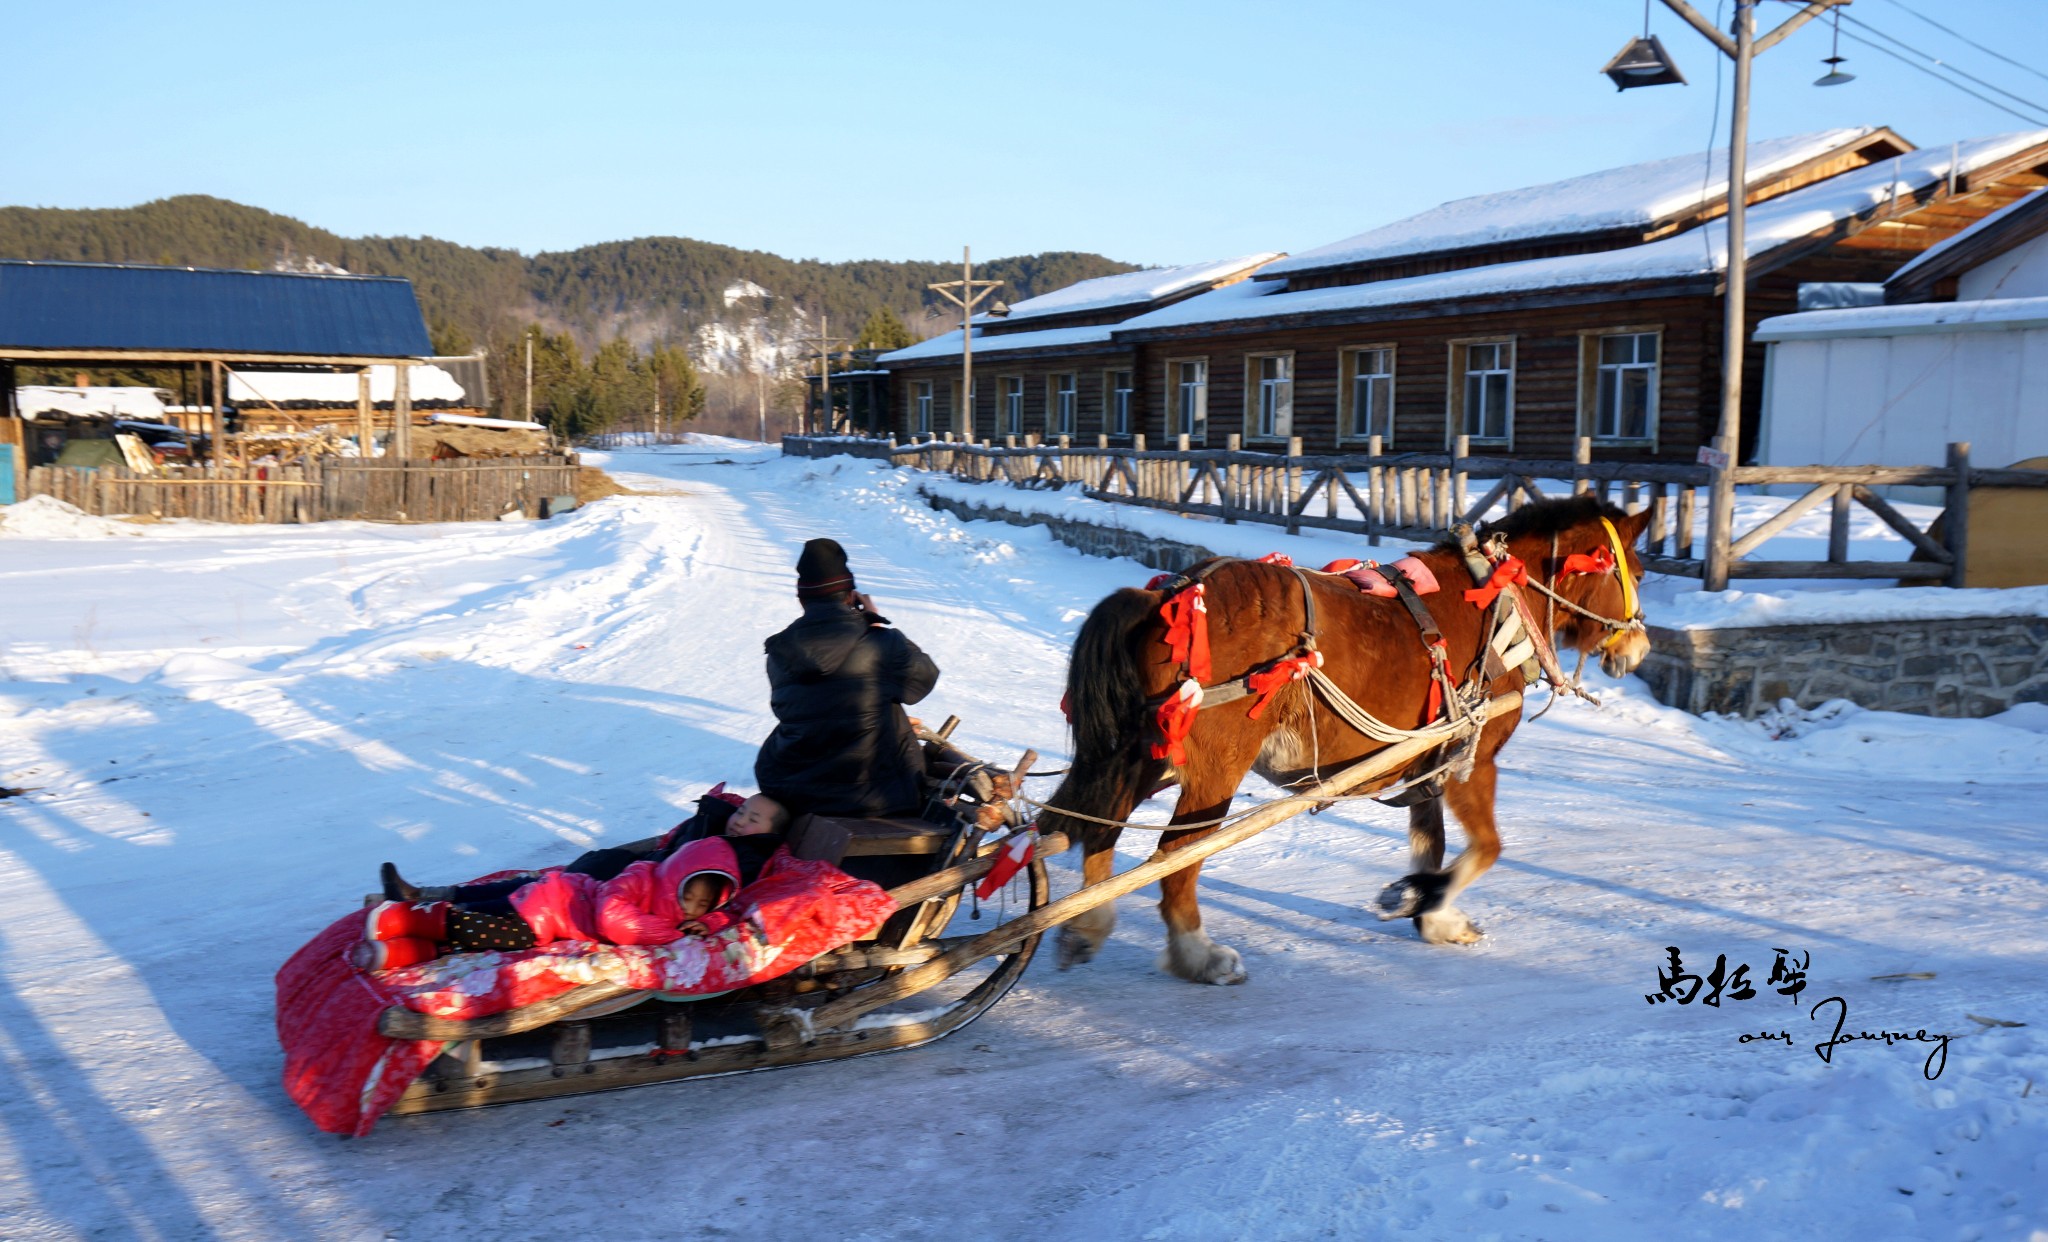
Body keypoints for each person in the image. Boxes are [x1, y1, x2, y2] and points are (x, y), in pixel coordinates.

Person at [754, 538, 940, 819]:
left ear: (802, 599)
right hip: (879, 795)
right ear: (851, 596)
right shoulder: (881, 642)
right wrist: (875, 622)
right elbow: (924, 680)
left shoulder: (780, 651)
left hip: (791, 789)